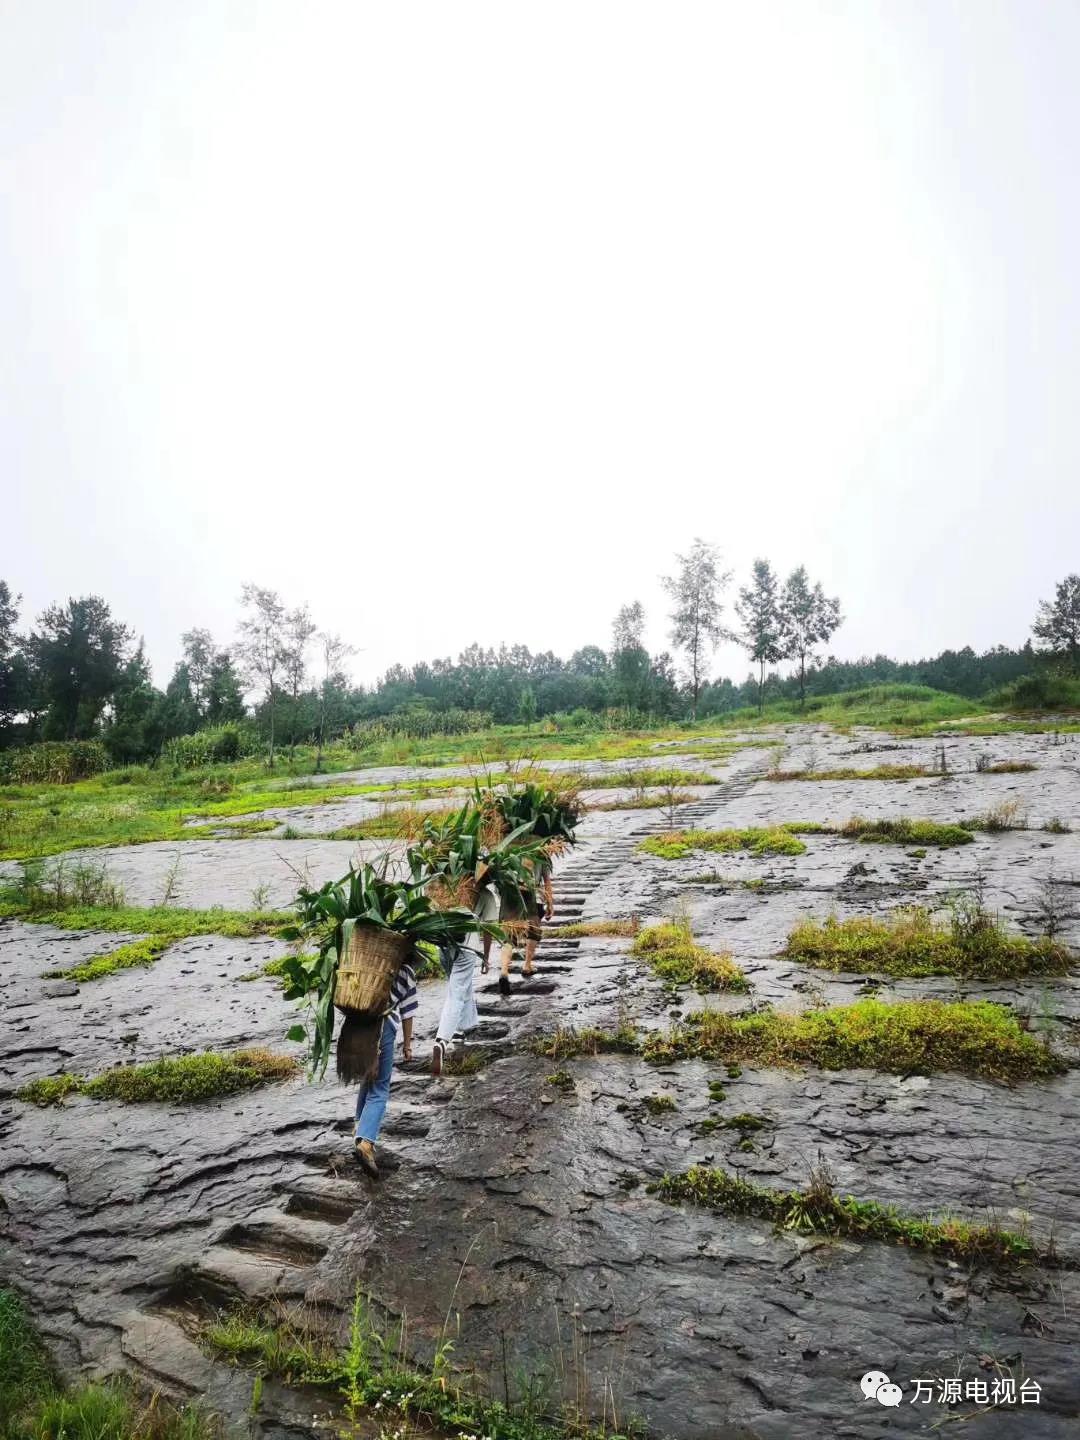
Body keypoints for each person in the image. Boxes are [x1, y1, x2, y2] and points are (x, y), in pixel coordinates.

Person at [353, 960, 417, 1178]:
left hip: (358, 1024)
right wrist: (407, 1044)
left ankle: (359, 1129)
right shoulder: (405, 970)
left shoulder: (367, 960)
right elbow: (407, 1012)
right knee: (380, 1087)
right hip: (383, 1025)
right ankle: (366, 1143)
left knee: (367, 1075)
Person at [432, 885, 496, 1075]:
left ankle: (461, 1028)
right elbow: (489, 929)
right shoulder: (485, 895)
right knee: (457, 994)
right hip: (467, 949)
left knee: (461, 988)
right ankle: (442, 1041)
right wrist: (485, 956)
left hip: (444, 947)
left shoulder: (450, 886)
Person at [497, 857, 553, 993]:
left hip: (510, 894)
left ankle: (504, 970)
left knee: (509, 934)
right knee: (533, 928)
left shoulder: (507, 849)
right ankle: (527, 965)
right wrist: (550, 902)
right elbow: (546, 881)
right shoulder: (540, 852)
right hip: (533, 894)